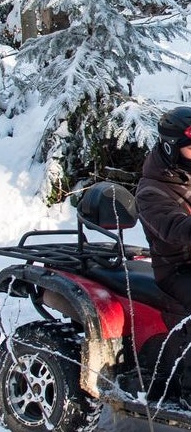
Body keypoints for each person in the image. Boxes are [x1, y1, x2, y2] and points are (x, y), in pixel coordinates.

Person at [137, 106, 191, 408]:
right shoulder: (151, 190)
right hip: (177, 270)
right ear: (171, 147)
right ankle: (187, 392)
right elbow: (174, 227)